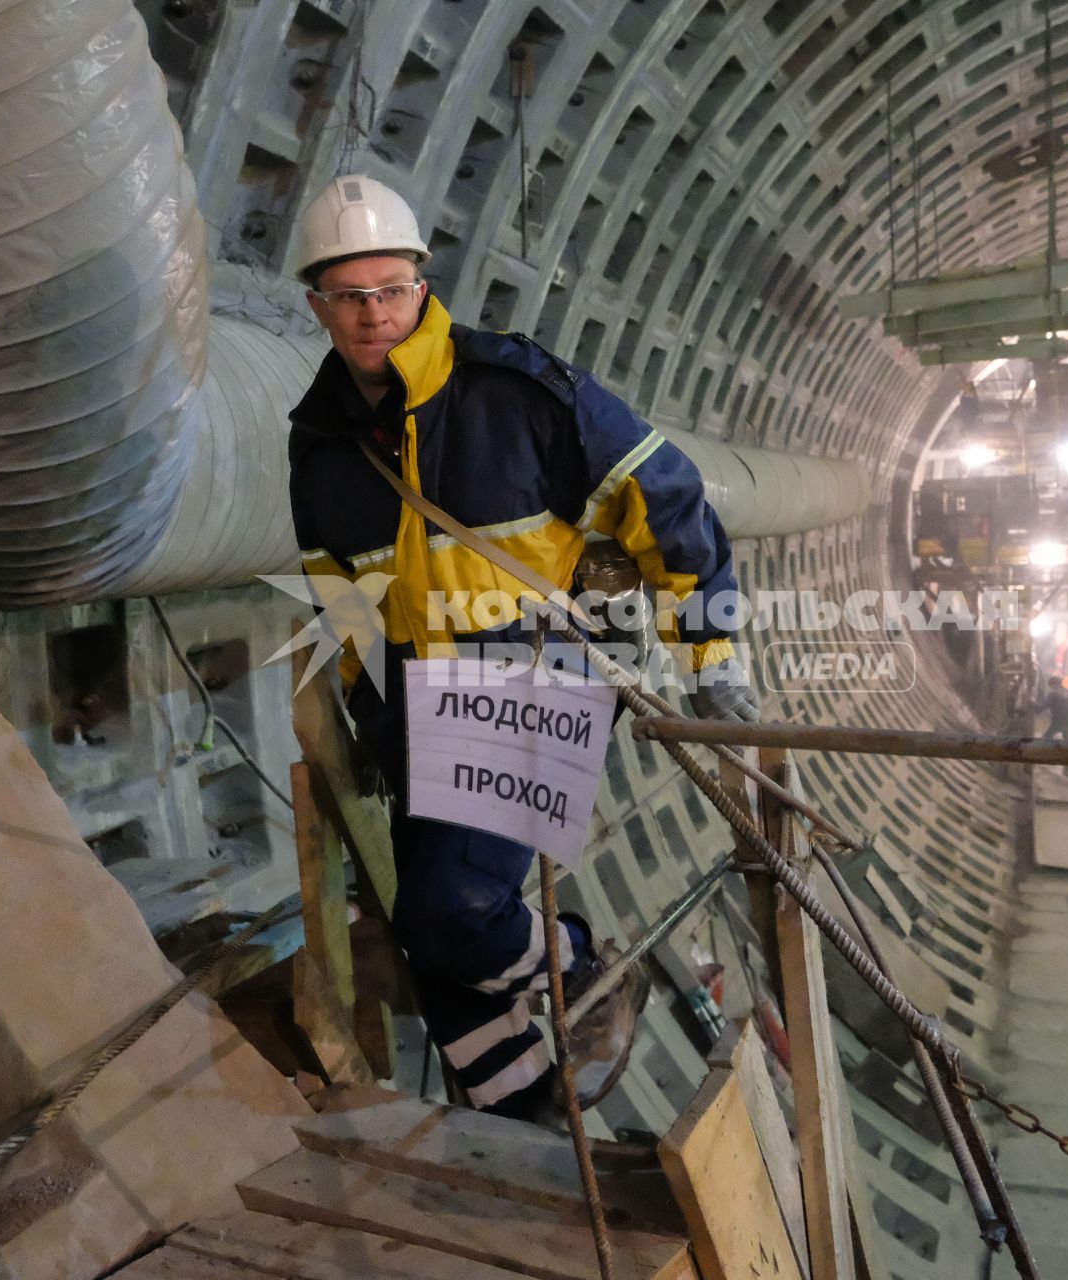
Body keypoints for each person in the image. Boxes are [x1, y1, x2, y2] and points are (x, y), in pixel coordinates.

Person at [283, 175, 759, 1121]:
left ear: (422, 284)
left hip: (533, 673)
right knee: (432, 930)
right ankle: (524, 1110)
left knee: (450, 911)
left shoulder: (516, 391)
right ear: (319, 307)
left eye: (389, 289)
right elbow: (341, 597)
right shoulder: (320, 442)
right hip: (416, 702)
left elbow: (663, 495)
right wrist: (375, 721)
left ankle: (584, 963)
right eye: (350, 296)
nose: (373, 313)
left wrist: (714, 663)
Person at [1041, 675, 1068, 775]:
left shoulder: (1053, 694)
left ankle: (1044, 761)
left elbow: (1041, 708)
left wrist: (1031, 703)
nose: (1050, 688)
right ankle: (1067, 771)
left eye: (1050, 686)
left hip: (1059, 721)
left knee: (1045, 739)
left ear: (1054, 684)